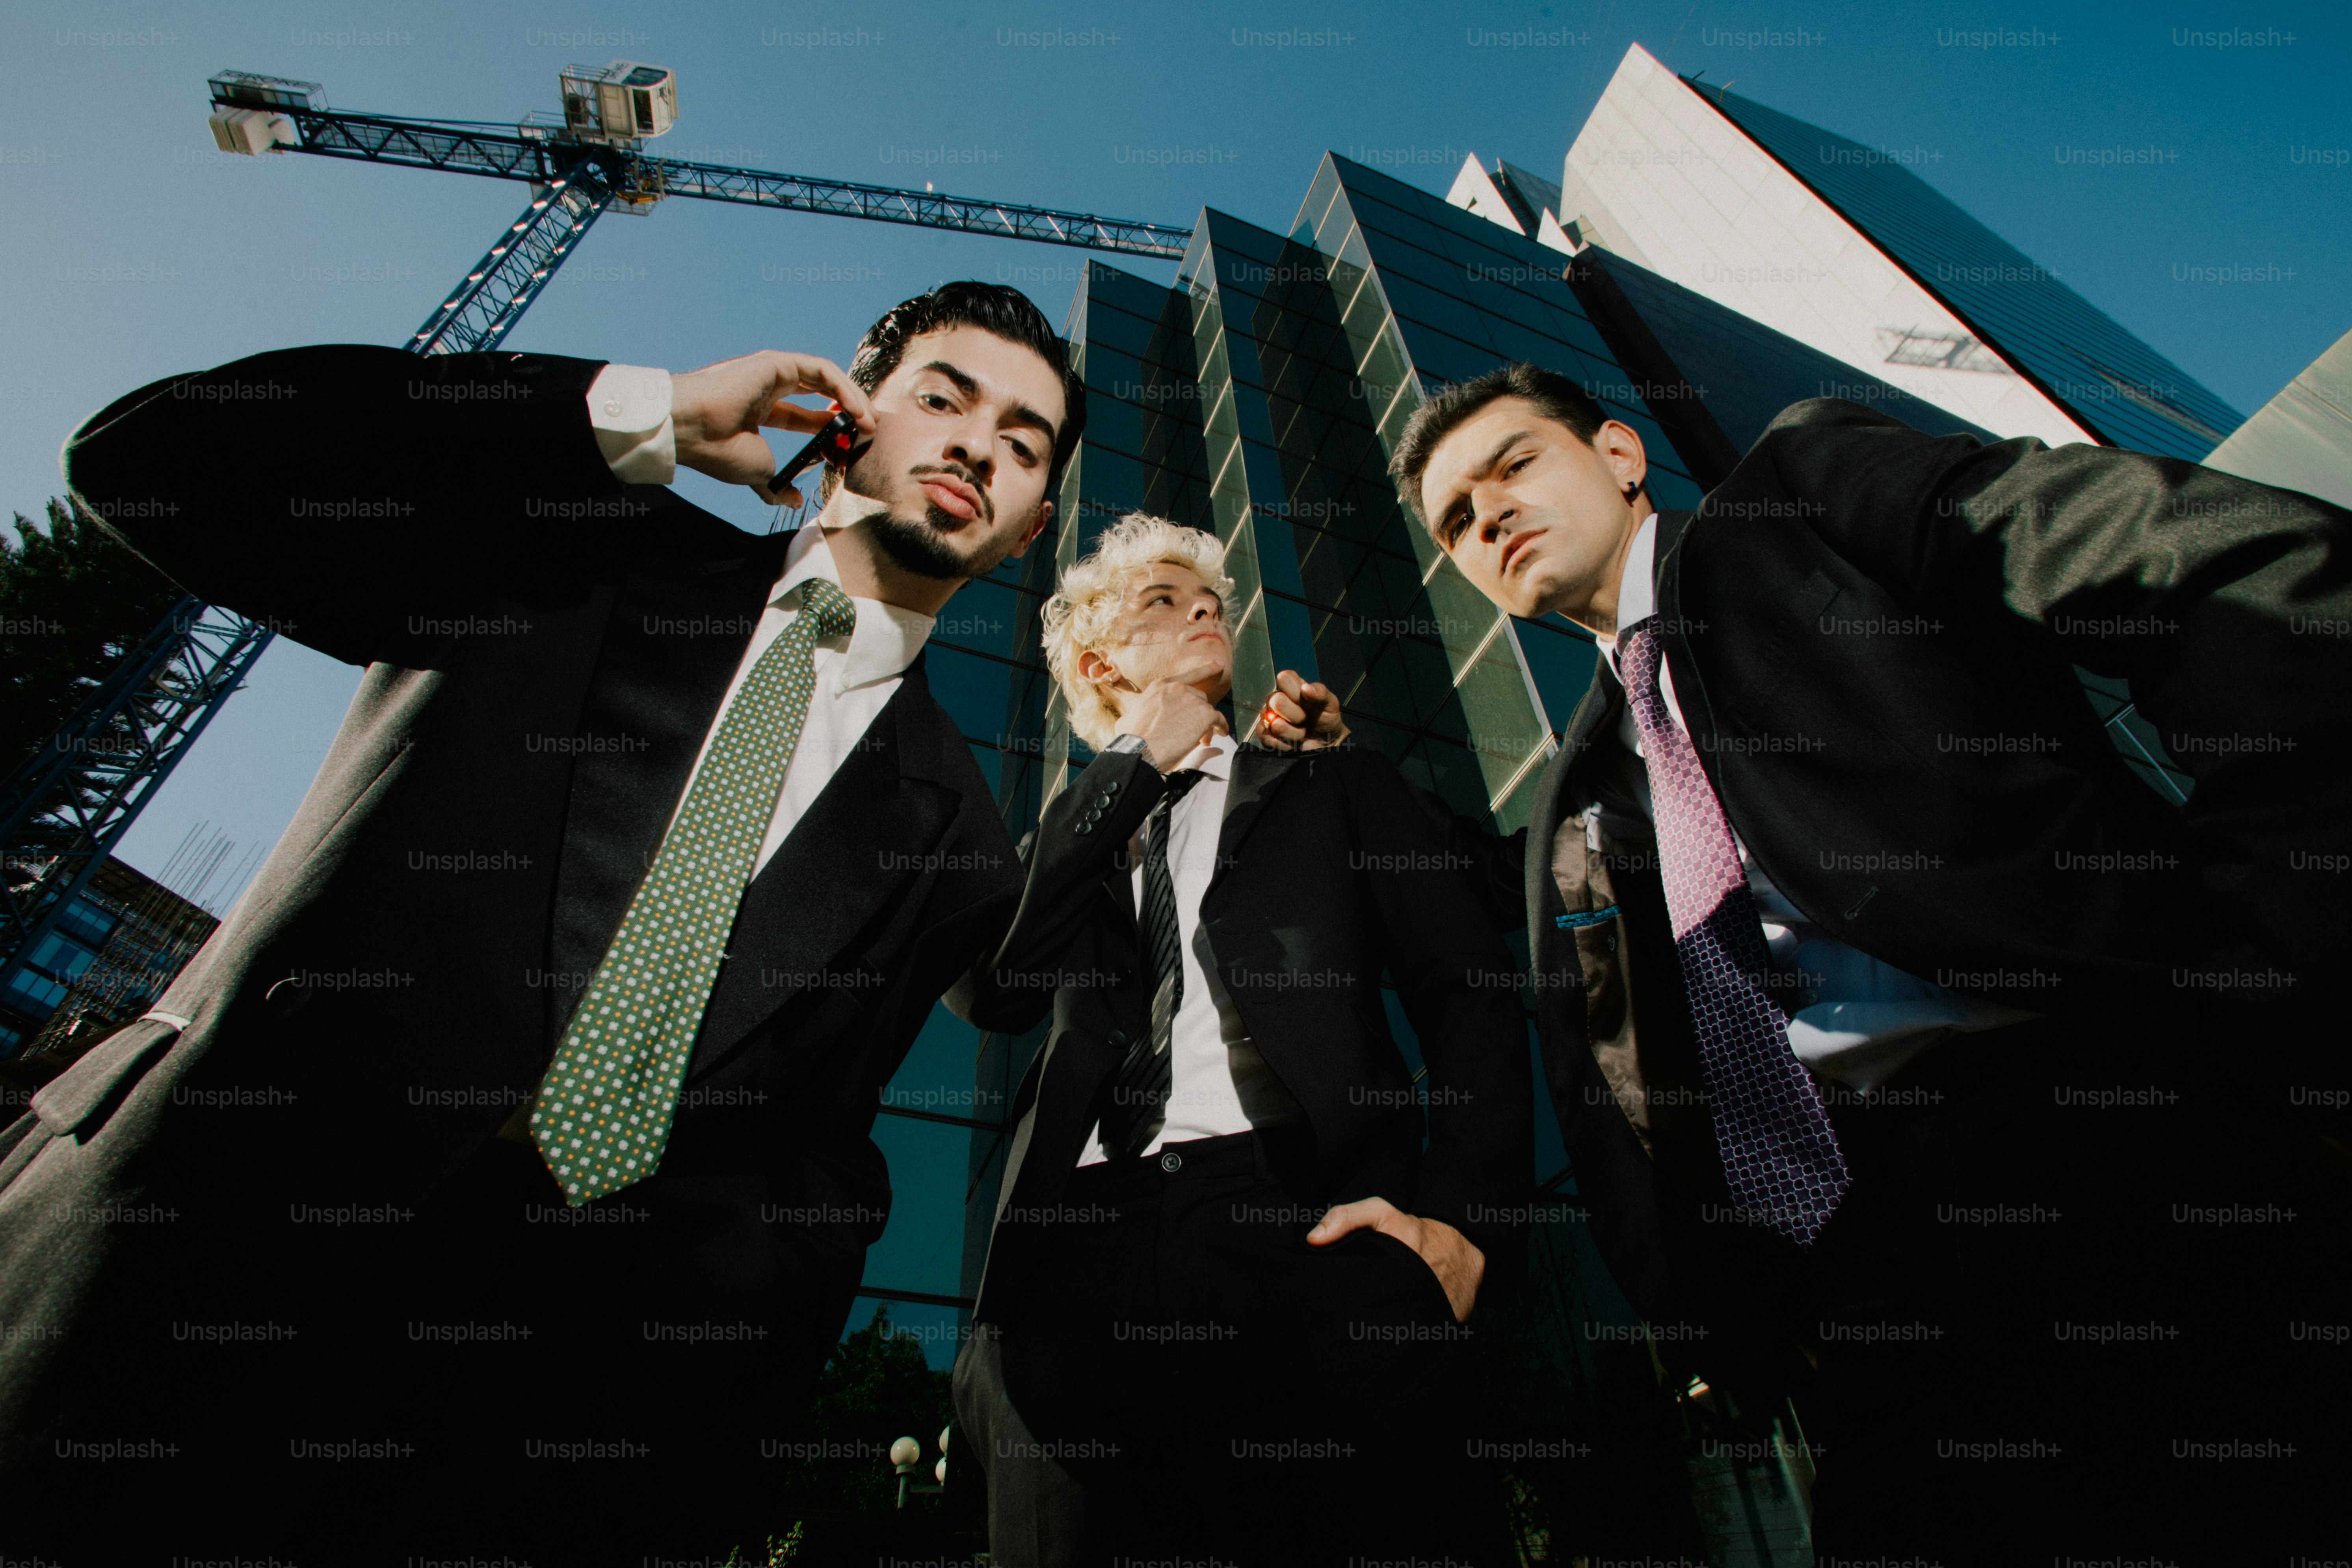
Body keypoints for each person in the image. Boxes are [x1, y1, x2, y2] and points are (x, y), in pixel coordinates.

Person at [0, 281, 1081, 1560]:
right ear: (842, 410)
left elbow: (823, 1143)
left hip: (529, 1422)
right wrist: (645, 413)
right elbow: (159, 463)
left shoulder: (955, 829)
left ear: (1029, 532)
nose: (974, 447)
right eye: (941, 400)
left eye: (1020, 444)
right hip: (200, 1255)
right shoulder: (576, 537)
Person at [1274, 362, 2352, 1561]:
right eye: (1458, 523)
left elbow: (2226, 564)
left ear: (1621, 456)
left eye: (1513, 466)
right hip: (1856, 1262)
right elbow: (1497, 905)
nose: (1490, 517)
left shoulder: (1795, 499)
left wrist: (2275, 960)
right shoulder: (1595, 771)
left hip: (2103, 1136)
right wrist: (1344, 768)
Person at [946, 515, 1531, 1566]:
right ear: (1096, 661)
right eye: (1160, 602)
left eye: (1210, 597)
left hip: (1306, 1228)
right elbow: (992, 987)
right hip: (1075, 1263)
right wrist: (1129, 766)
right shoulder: (1064, 838)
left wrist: (1464, 1222)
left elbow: (1468, 991)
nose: (1204, 608)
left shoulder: (1329, 782)